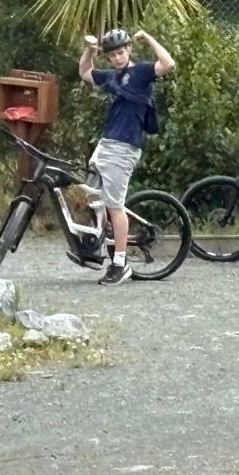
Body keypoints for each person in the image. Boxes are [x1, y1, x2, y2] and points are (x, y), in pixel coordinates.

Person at [79, 27, 175, 285]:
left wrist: (149, 38)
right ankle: (98, 244)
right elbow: (85, 72)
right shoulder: (112, 76)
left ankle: (120, 264)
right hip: (105, 144)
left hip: (124, 147)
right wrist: (90, 50)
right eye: (112, 55)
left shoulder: (141, 72)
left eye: (121, 52)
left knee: (114, 206)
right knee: (93, 196)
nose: (117, 58)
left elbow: (168, 64)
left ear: (129, 50)